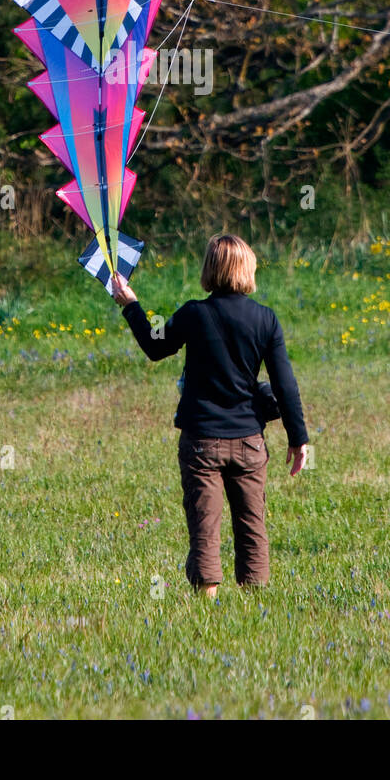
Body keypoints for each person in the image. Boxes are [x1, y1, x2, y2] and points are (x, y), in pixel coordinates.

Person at [111, 233, 308, 595]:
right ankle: (255, 601)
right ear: (247, 269)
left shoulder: (194, 313)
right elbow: (285, 385)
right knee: (252, 523)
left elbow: (156, 347)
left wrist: (131, 304)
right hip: (250, 442)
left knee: (205, 523)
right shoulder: (266, 319)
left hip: (202, 442)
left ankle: (207, 602)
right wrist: (299, 439)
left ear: (209, 269)